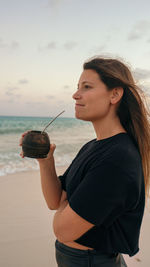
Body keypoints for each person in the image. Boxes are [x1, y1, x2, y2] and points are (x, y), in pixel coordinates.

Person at [20, 56, 150, 267]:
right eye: (77, 87)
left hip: (91, 261)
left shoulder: (118, 159)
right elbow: (55, 201)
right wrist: (46, 162)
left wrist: (66, 205)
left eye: (86, 87)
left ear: (115, 94)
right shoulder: (94, 146)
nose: (75, 94)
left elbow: (62, 229)